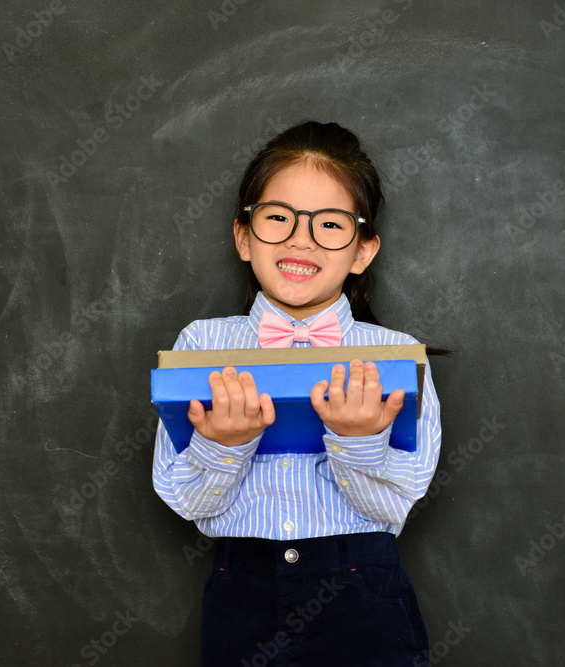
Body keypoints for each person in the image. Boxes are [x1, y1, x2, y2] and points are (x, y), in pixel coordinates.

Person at [152, 121, 441, 666]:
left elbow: (397, 504)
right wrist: (223, 445)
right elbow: (189, 502)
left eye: (331, 224)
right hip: (243, 591)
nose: (299, 239)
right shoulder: (201, 344)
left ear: (362, 250)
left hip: (363, 591)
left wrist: (358, 439)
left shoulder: (397, 355)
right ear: (243, 235)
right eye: (278, 218)